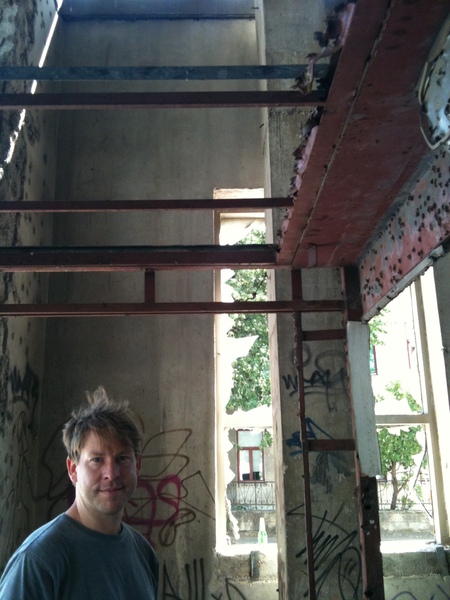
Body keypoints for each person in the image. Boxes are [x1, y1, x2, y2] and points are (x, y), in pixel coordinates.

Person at [0, 386, 159, 599]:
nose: (111, 474)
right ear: (73, 469)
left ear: (137, 465)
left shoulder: (144, 553)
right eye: (97, 460)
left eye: (122, 458)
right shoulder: (38, 560)